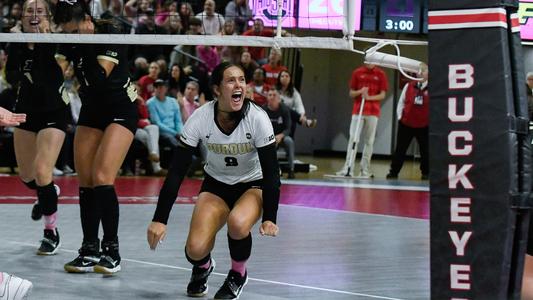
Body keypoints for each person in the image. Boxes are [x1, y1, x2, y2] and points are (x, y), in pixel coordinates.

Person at [147, 62, 280, 299]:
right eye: (231, 80)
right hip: (216, 185)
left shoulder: (257, 118)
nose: (238, 84)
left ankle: (238, 274)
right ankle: (203, 267)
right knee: (195, 249)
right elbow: (177, 171)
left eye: (241, 79)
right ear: (217, 89)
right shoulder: (201, 118)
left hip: (252, 185)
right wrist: (159, 219)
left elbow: (271, 173)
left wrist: (270, 217)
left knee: (238, 223)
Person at [54, 0, 138, 275]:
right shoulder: (71, 40)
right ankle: (89, 249)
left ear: (88, 21)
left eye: (73, 31)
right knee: (86, 180)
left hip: (120, 110)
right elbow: (58, 71)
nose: (70, 37)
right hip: (92, 109)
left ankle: (111, 250)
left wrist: (85, 45)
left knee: (103, 177)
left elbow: (99, 75)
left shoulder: (111, 30)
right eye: (66, 33)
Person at [6, 0, 67, 255]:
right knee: (28, 177)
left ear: (48, 17)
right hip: (25, 112)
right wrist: (22, 48)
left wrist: (41, 42)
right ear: (21, 16)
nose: (33, 15)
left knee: (43, 172)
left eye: (39, 11)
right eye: (29, 11)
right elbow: (11, 76)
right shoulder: (16, 43)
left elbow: (50, 79)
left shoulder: (56, 42)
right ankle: (48, 191)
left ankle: (50, 231)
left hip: (53, 112)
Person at [336, 63, 388, 178]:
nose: (370, 62)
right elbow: (351, 93)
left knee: (369, 141)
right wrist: (360, 91)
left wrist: (369, 97)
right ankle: (348, 167)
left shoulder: (381, 74)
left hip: (373, 112)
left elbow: (382, 94)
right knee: (353, 139)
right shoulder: (357, 72)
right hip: (358, 111)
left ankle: (365, 169)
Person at [386, 63, 429, 180]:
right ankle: (393, 172)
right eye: (418, 71)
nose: (420, 73)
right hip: (406, 124)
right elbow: (401, 103)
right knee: (400, 149)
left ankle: (426, 173)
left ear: (428, 73)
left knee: (425, 150)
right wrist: (400, 117)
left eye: (423, 71)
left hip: (424, 126)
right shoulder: (409, 86)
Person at [263, 89, 295, 179]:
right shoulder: (263, 110)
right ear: (267, 98)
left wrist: (281, 136)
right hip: (268, 137)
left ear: (278, 98)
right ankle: (275, 170)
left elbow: (288, 128)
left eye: (274, 95)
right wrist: (271, 137)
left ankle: (291, 169)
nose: (272, 97)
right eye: (270, 95)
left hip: (282, 136)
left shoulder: (284, 109)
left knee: (289, 141)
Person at [276, 70, 316, 136]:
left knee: (289, 113)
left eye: (287, 76)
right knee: (284, 106)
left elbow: (299, 105)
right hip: (276, 115)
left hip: (290, 117)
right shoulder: (275, 90)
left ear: (290, 79)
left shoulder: (294, 91)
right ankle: (304, 122)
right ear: (279, 78)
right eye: (282, 76)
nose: (285, 78)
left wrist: (302, 114)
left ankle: (302, 120)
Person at [146, 79, 183, 149]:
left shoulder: (173, 101)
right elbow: (157, 123)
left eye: (161, 87)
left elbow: (178, 120)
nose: (158, 89)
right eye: (156, 87)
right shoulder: (150, 103)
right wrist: (175, 133)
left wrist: (180, 132)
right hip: (162, 133)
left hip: (175, 131)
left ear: (166, 89)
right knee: (171, 140)